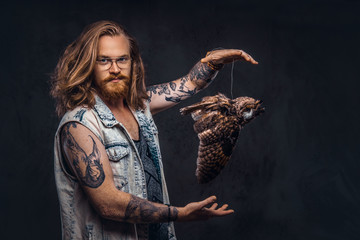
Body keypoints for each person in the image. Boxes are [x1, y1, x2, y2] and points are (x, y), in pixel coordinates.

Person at [50, 20, 258, 240]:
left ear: (133, 63)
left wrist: (213, 61)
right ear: (88, 65)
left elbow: (189, 83)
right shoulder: (79, 124)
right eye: (104, 61)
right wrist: (179, 214)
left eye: (122, 59)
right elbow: (108, 204)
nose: (115, 69)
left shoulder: (139, 106)